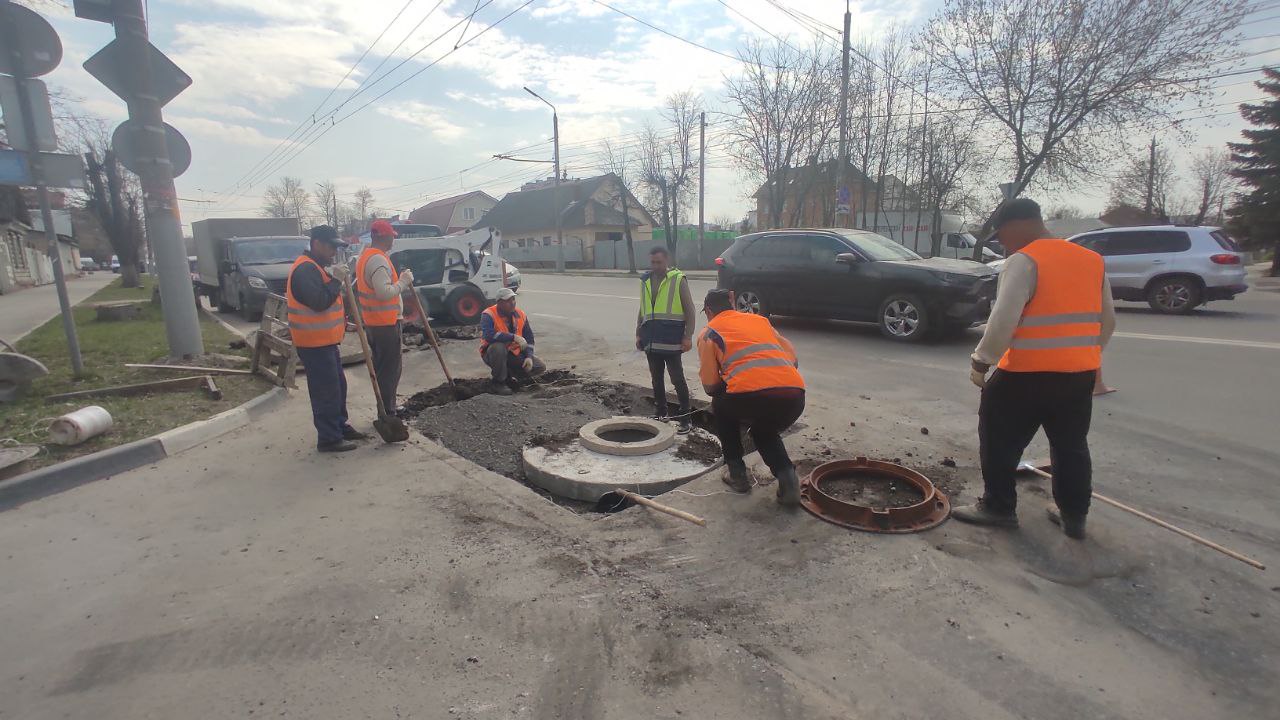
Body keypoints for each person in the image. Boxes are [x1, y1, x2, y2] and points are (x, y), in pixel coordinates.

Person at [953, 199, 1116, 540]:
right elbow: (1108, 321)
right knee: (1071, 445)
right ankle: (1073, 517)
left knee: (998, 439)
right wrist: (1083, 355)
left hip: (1025, 376)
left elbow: (1003, 321)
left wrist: (981, 360)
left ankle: (998, 507)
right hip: (1078, 376)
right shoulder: (1091, 260)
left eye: (1002, 235)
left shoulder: (1025, 261)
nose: (1003, 243)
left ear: (1016, 225)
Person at [697, 288, 805, 505]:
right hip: (794, 396)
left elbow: (710, 385)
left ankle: (737, 474)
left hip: (749, 398)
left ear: (709, 310)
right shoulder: (759, 321)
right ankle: (788, 480)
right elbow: (792, 359)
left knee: (720, 405)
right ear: (732, 305)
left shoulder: (709, 333)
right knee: (763, 431)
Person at [286, 225, 369, 452]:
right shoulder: (305, 270)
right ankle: (329, 438)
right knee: (326, 390)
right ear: (317, 244)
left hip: (326, 341)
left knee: (338, 386)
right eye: (331, 246)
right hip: (313, 343)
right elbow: (319, 301)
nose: (334, 251)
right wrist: (336, 281)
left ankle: (340, 426)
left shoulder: (316, 267)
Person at [355, 219, 415, 412]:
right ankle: (388, 411)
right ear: (383, 236)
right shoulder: (378, 260)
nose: (393, 241)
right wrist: (404, 282)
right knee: (390, 370)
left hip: (374, 322)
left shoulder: (365, 256)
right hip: (385, 324)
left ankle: (386, 406)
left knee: (383, 368)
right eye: (391, 236)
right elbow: (384, 293)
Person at [636, 246, 696, 434]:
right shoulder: (645, 280)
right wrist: (638, 332)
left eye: (659, 262)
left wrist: (688, 336)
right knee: (656, 379)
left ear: (666, 261)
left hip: (671, 340)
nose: (655, 266)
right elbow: (642, 308)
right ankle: (661, 412)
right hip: (651, 340)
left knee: (677, 379)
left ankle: (685, 418)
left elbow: (690, 311)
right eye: (653, 262)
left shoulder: (677, 280)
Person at [479, 288, 545, 395]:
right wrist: (513, 337)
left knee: (540, 366)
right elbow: (489, 336)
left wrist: (528, 356)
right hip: (492, 354)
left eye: (513, 299)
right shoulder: (488, 314)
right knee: (498, 347)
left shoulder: (520, 314)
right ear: (499, 302)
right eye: (508, 301)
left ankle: (511, 377)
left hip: (513, 353)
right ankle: (498, 382)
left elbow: (529, 338)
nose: (512, 303)